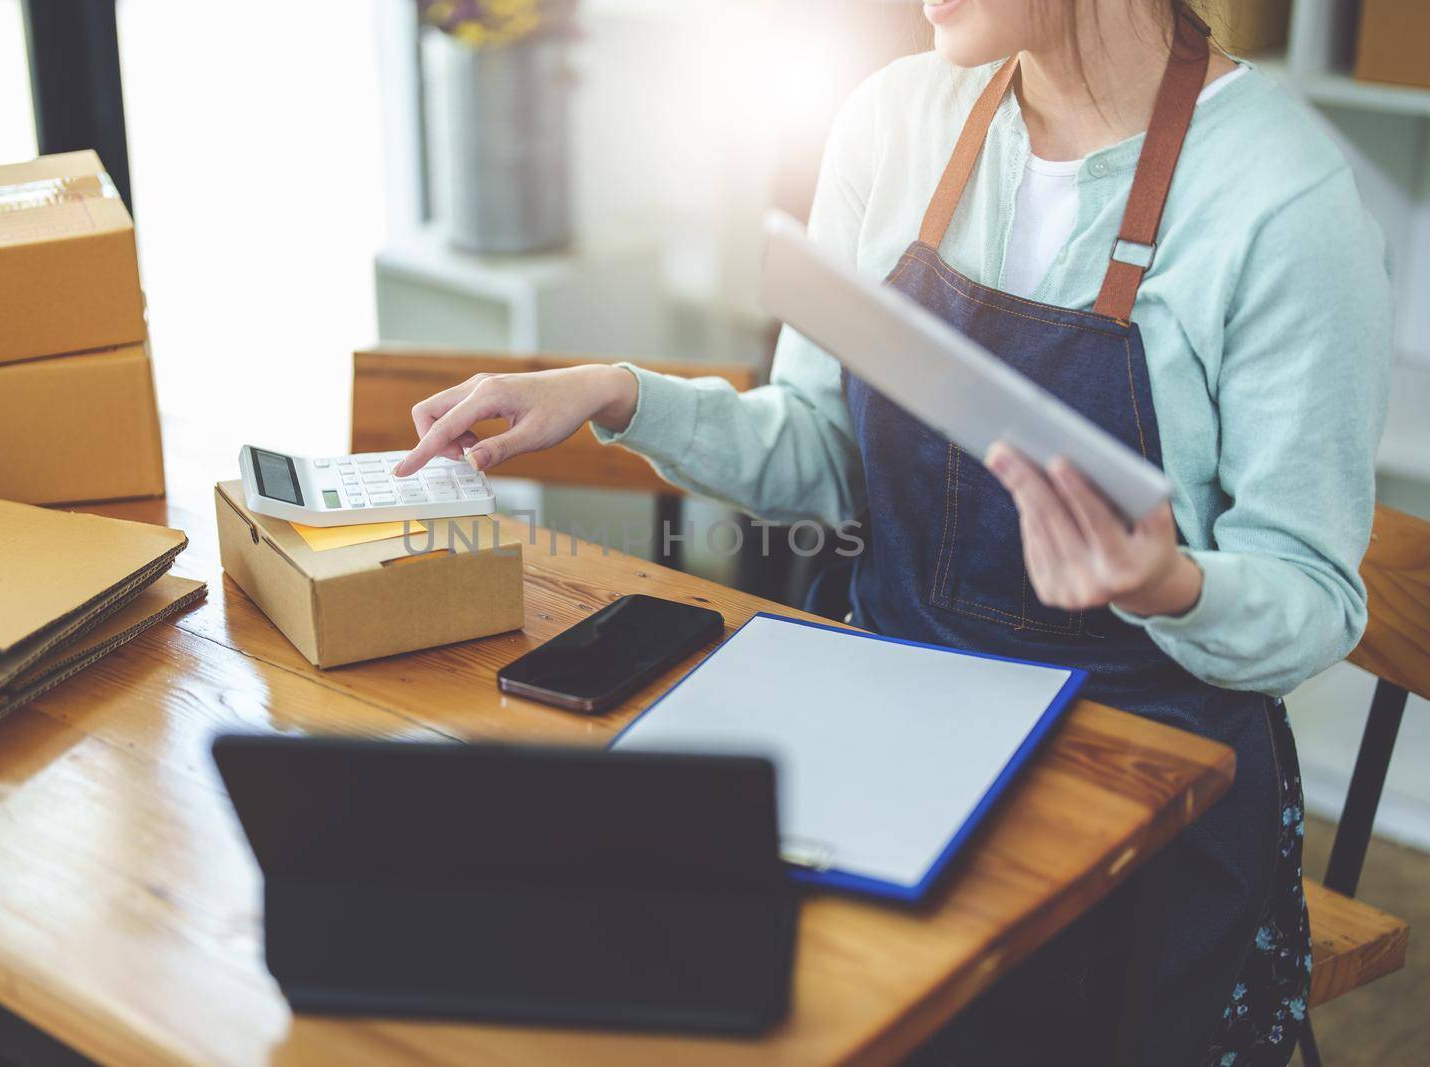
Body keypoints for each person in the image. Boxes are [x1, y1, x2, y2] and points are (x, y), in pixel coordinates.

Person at [393, 0, 1392, 1062]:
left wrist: (1169, 585)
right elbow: (823, 448)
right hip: (889, 724)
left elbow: (1311, 593)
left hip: (1141, 779)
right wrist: (617, 393)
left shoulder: (1286, 200)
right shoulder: (891, 118)